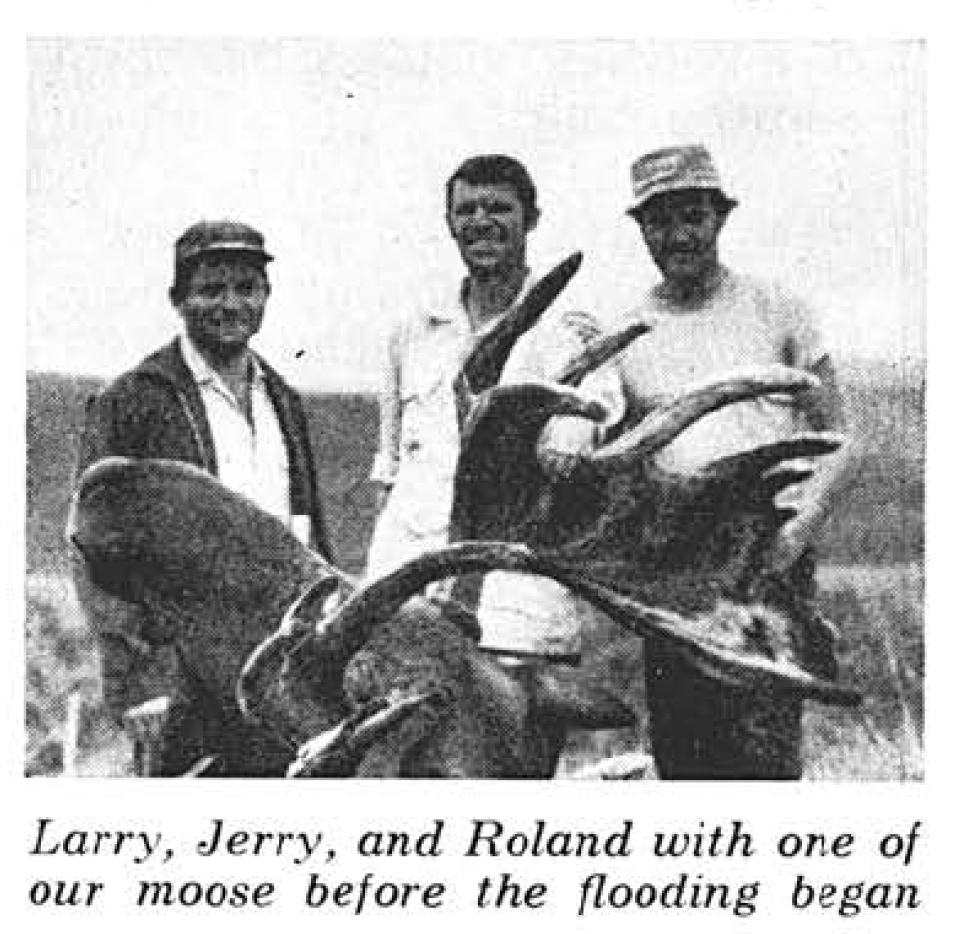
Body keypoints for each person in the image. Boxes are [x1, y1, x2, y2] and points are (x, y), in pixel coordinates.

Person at [613, 144, 856, 779]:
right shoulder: (628, 332)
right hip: (675, 567)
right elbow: (619, 460)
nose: (677, 235)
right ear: (642, 231)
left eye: (691, 215)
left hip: (768, 558)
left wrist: (798, 530)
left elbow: (842, 436)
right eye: (659, 221)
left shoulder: (780, 310)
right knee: (684, 748)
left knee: (763, 744)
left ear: (719, 218)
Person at [73, 219, 331, 774]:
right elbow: (91, 550)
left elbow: (309, 534)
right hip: (183, 686)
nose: (230, 304)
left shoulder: (282, 399)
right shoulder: (133, 399)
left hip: (277, 677)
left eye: (246, 288)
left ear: (266, 296)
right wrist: (142, 681)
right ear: (178, 299)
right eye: (211, 289)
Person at [368, 154, 616, 664]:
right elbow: (389, 468)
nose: (481, 221)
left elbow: (603, 400)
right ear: (450, 222)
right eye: (467, 210)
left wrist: (575, 423)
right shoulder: (416, 328)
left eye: (498, 208)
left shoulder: (568, 325)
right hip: (411, 580)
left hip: (516, 600)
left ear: (532, 218)